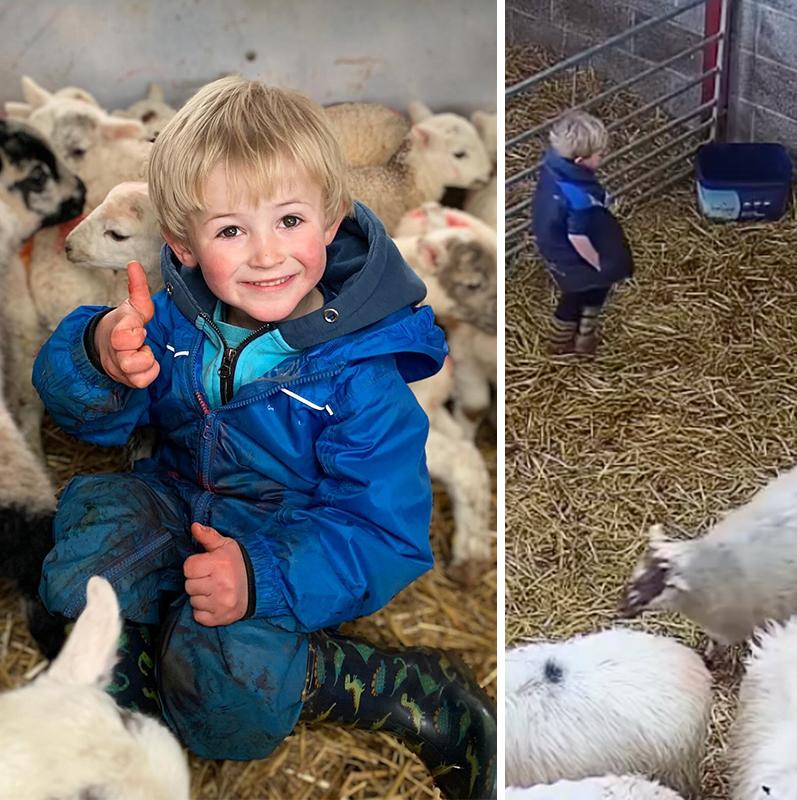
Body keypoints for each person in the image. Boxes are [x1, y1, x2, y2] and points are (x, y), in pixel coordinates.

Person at [31, 76, 495, 799]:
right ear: (182, 246)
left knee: (230, 698)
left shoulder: (358, 375)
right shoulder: (174, 317)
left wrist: (262, 577)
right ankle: (123, 713)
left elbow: (385, 530)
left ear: (335, 217)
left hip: (288, 539)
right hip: (178, 496)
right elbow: (85, 417)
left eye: (288, 220)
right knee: (80, 560)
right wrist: (99, 354)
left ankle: (400, 690)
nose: (265, 255)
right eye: (229, 230)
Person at [531, 110, 634, 356]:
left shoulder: (553, 167)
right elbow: (577, 237)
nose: (603, 156)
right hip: (574, 255)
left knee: (585, 291)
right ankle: (565, 344)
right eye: (599, 154)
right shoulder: (578, 197)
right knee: (582, 293)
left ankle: (581, 337)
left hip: (552, 241)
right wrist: (598, 264)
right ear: (579, 161)